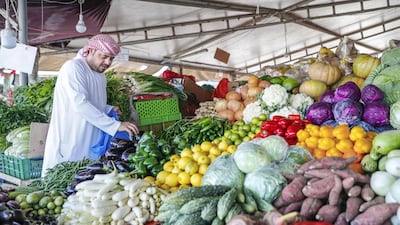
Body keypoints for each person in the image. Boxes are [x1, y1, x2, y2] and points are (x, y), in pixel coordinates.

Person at [41, 34, 139, 176]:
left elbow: (93, 102)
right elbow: (80, 104)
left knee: (85, 180)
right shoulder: (74, 68)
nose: (108, 62)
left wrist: (108, 108)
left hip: (90, 138)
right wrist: (115, 125)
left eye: (111, 58)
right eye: (104, 56)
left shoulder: (101, 76)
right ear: (91, 50)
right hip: (71, 136)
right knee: (64, 179)